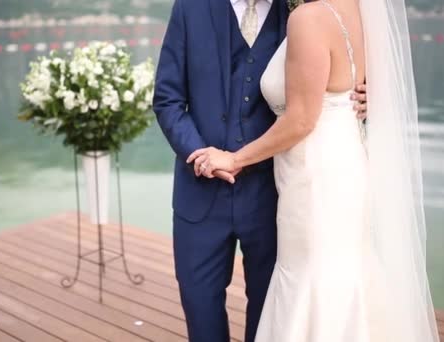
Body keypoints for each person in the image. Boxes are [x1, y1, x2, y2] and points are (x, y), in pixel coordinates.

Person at [187, 0, 440, 341]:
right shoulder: (361, 12)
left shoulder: (308, 18)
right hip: (347, 163)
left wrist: (233, 159)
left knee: (312, 278)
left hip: (315, 176)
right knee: (344, 275)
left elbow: (301, 120)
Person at [153, 0, 367, 341]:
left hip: (275, 197)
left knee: (273, 317)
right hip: (200, 194)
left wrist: (367, 93)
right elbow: (167, 98)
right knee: (200, 312)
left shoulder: (300, 12)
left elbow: (333, 79)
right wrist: (198, 154)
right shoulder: (190, 7)